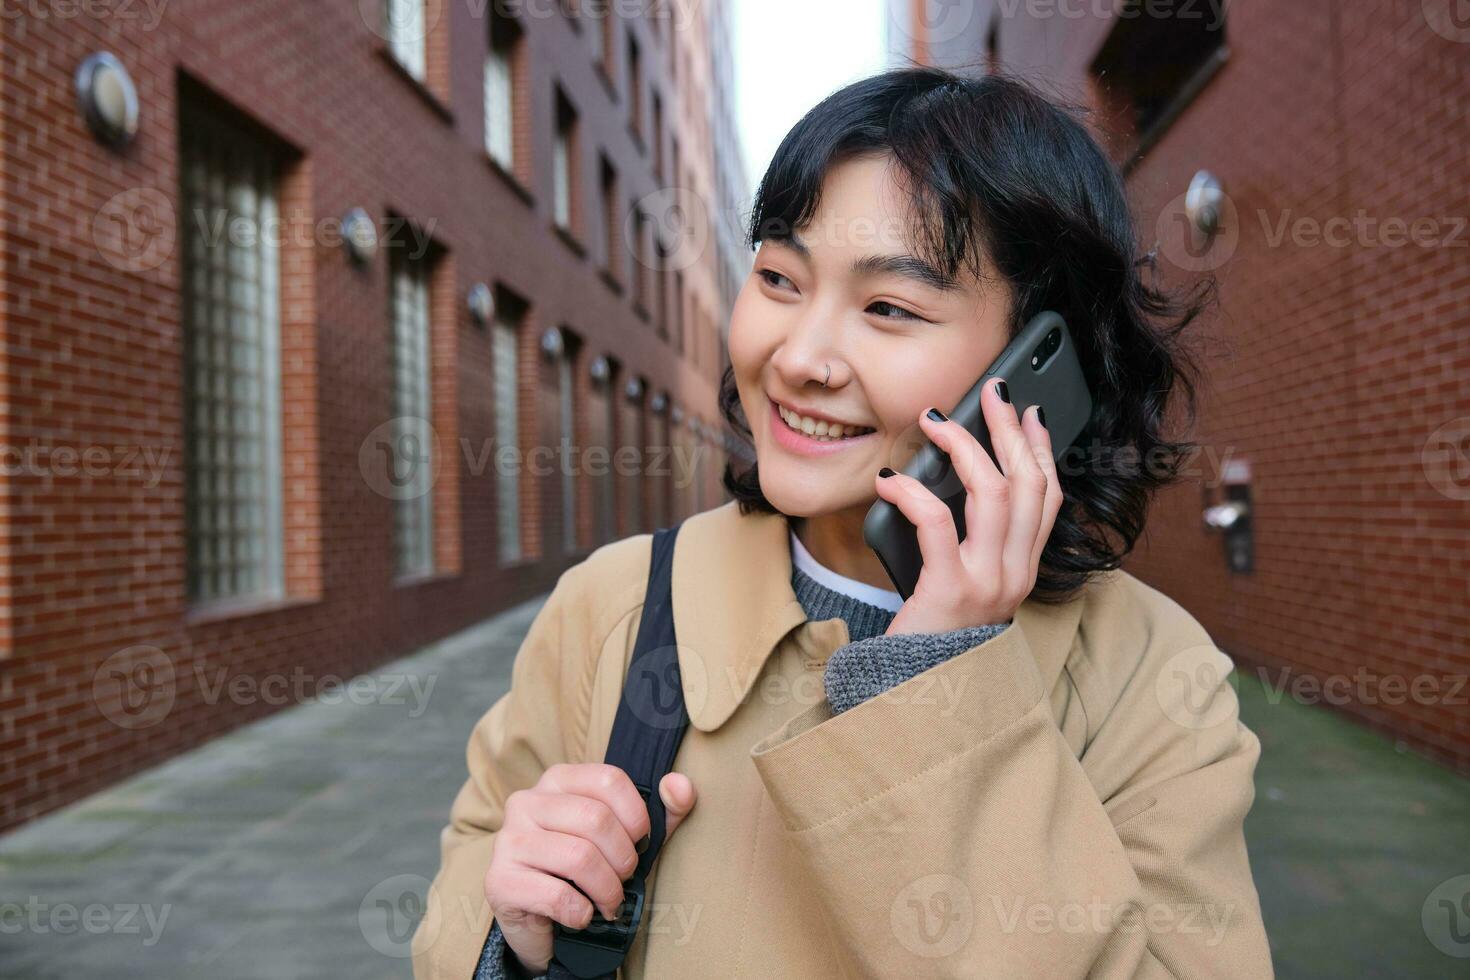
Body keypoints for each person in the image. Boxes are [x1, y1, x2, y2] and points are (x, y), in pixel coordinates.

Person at [413, 66, 1274, 979]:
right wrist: (514, 936)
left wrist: (936, 683)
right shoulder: (615, 605)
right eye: (780, 278)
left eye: (889, 308)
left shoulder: (1148, 671)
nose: (800, 357)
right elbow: (467, 889)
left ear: (1034, 369)